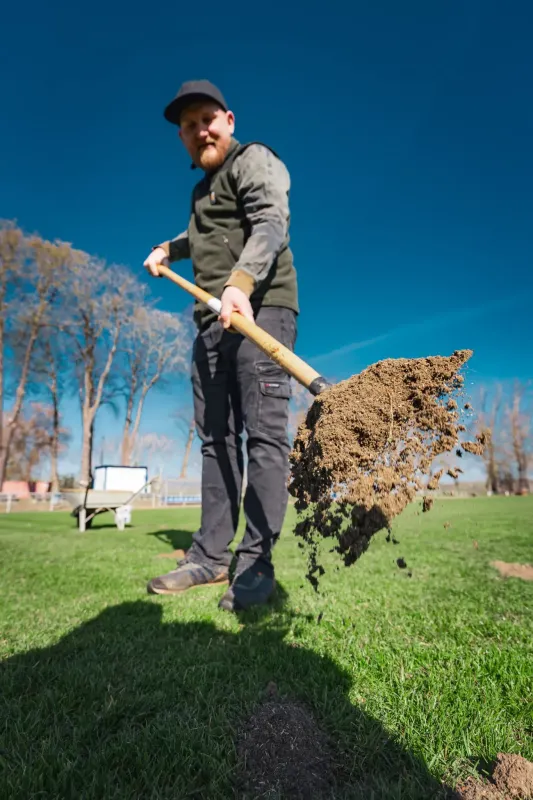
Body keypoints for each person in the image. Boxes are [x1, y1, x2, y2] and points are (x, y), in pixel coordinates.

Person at [143, 80, 299, 612]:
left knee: (264, 436)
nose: (199, 130)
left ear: (229, 120)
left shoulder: (253, 161)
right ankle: (209, 558)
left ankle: (257, 563)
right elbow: (203, 236)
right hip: (210, 321)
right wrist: (170, 247)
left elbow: (271, 221)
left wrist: (240, 284)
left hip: (261, 311)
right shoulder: (200, 193)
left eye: (207, 118)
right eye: (188, 127)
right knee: (215, 439)